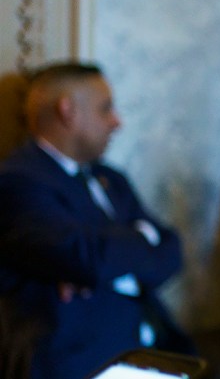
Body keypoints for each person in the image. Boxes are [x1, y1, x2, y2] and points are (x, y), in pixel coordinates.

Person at [0, 62, 189, 379]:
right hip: (79, 364)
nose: (117, 122)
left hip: (157, 354)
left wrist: (108, 271)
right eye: (106, 109)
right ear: (67, 110)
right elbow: (85, 258)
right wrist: (141, 238)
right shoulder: (18, 181)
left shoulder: (111, 179)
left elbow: (171, 251)